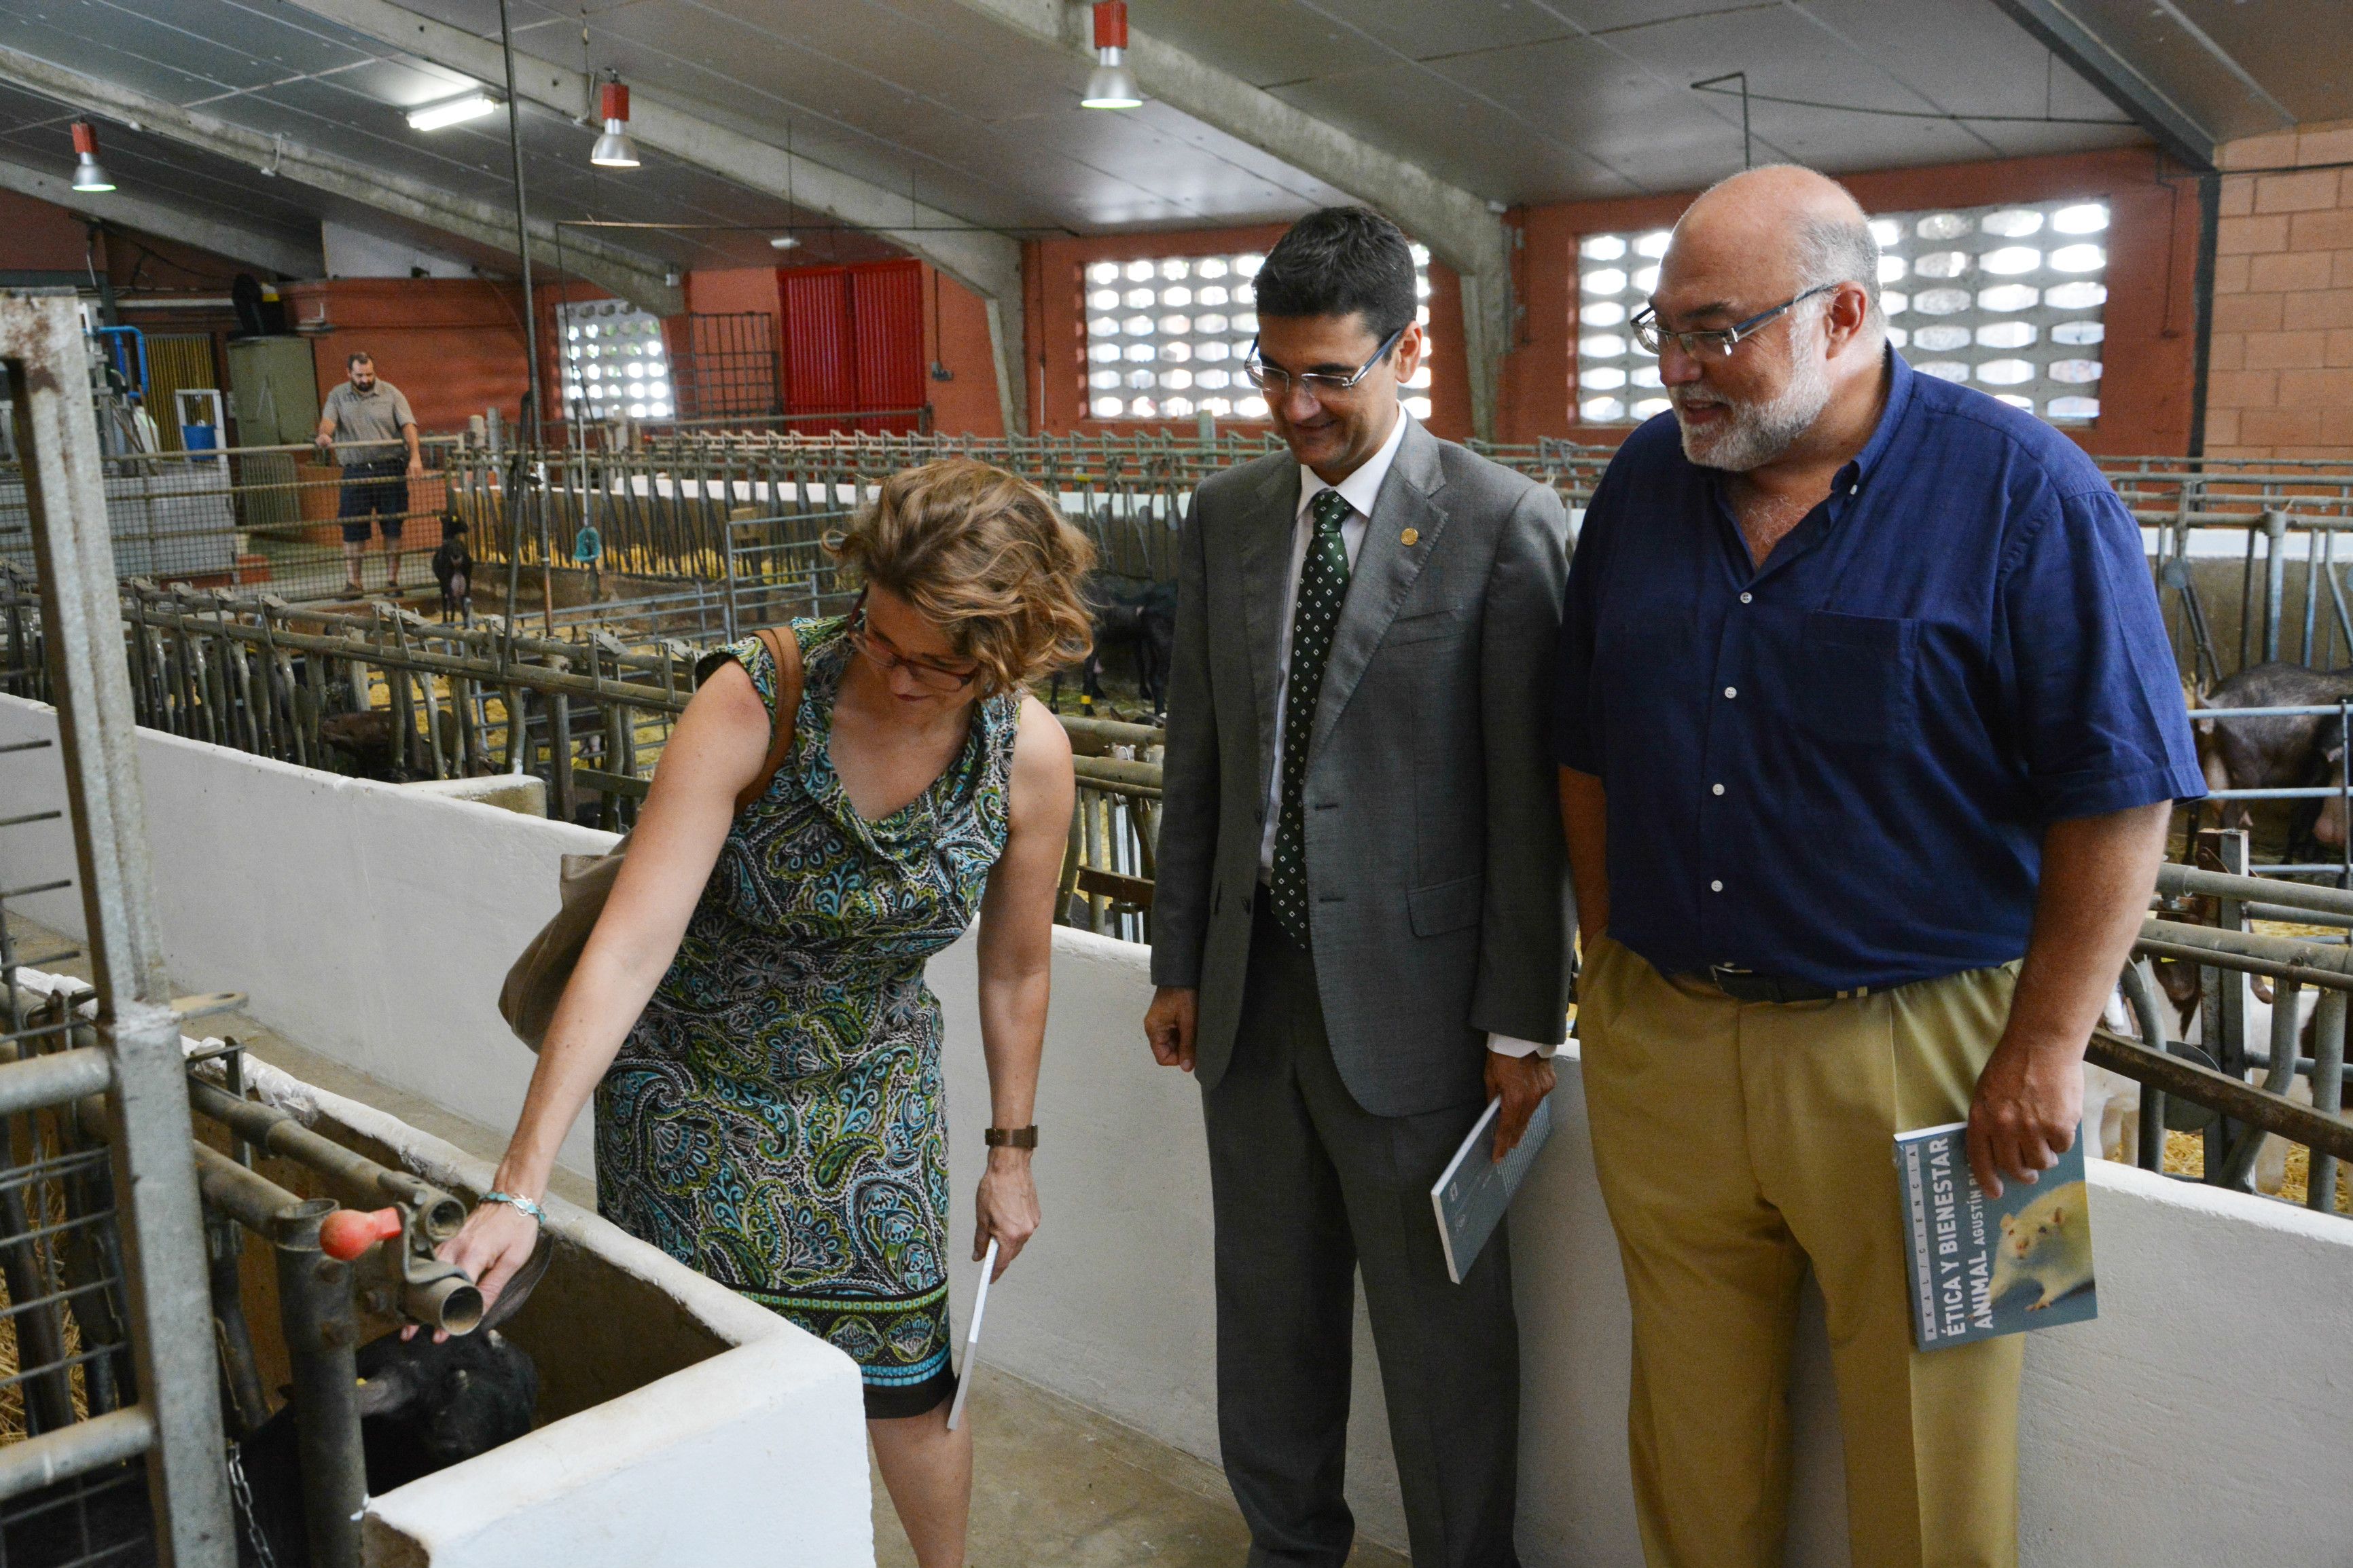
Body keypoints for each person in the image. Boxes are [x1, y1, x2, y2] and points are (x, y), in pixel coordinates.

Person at [1554, 164, 2204, 1568]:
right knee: (1689, 1430)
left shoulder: (2030, 490)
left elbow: (2122, 792)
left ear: (1841, 315)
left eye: (1713, 331)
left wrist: (2046, 1044)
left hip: (1945, 1056)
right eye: (1660, 329)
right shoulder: (1642, 480)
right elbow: (1585, 745)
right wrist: (1609, 967)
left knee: (1942, 1447)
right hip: (1667, 1035)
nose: (1676, 368)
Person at [440, 458, 1092, 1568]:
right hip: (690, 1095)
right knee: (696, 1388)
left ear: (1005, 649)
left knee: (909, 1382)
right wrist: (519, 1184)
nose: (894, 675)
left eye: (934, 663)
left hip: (872, 1102)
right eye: (878, 637)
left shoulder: (1026, 756)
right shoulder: (757, 698)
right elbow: (629, 944)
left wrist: (1011, 1155)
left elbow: (1015, 969)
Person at [1145, 206, 1571, 1568]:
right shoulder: (1225, 518)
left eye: (1327, 375)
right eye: (1271, 372)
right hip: (1250, 996)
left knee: (1442, 1334)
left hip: (1422, 1016)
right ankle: (1286, 1549)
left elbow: (1530, 804)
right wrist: (1177, 958)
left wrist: (1520, 1020)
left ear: (1408, 350)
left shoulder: (1500, 524)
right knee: (1267, 1314)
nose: (1293, 407)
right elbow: (1198, 755)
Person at [315, 352, 422, 597]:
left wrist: (415, 456)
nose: (365, 380)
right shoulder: (338, 395)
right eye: (360, 375)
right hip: (356, 470)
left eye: (369, 374)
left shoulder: (391, 393)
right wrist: (325, 435)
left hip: (389, 467)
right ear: (349, 373)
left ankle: (392, 581)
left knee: (393, 526)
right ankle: (354, 583)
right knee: (353, 527)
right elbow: (328, 422)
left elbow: (408, 425)